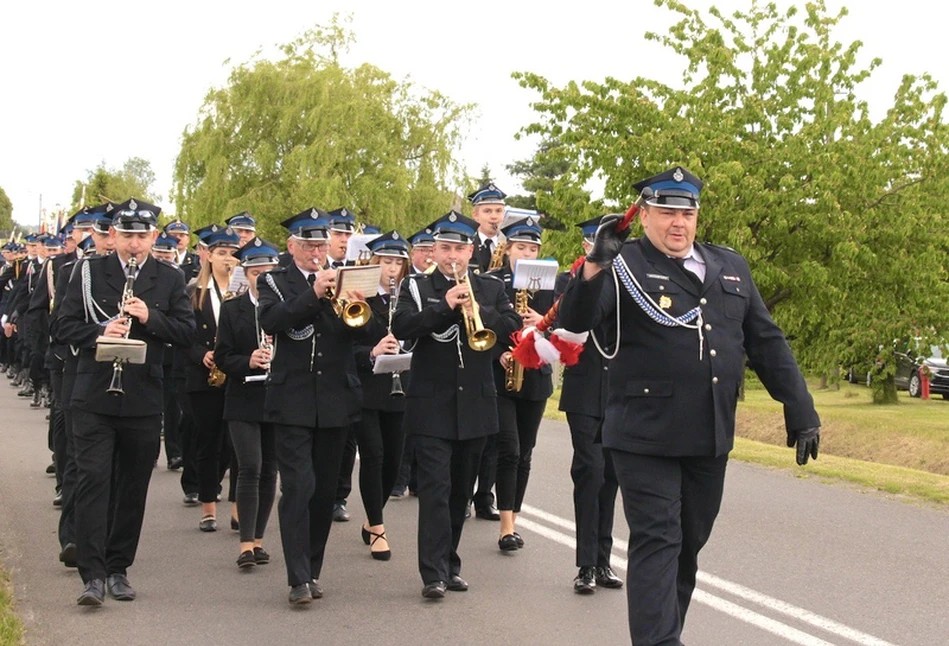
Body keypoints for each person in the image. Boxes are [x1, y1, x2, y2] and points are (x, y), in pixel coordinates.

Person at [557, 167, 821, 646]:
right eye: (667, 213)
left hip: (709, 434)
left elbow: (766, 341)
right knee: (658, 539)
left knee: (687, 545)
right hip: (644, 434)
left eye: (687, 213)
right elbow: (574, 327)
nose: (678, 223)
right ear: (645, 216)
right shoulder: (623, 263)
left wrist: (799, 406)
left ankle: (664, 633)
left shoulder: (731, 266)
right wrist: (594, 266)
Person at [55, 197, 195, 606]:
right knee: (93, 482)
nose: (134, 244)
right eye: (127, 235)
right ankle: (92, 576)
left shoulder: (168, 278)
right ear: (113, 235)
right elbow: (63, 325)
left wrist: (151, 317)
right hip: (93, 393)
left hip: (143, 397)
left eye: (142, 236)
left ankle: (118, 568)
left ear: (154, 237)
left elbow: (186, 333)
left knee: (132, 487)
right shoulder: (87, 272)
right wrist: (100, 332)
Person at [391, 211, 521, 599]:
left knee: (460, 491)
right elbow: (402, 327)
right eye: (445, 249)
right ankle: (432, 573)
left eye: (459, 249)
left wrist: (480, 309)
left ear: (469, 251)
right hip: (431, 405)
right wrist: (445, 305)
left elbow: (511, 324)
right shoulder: (416, 285)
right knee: (435, 488)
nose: (453, 257)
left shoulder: (490, 287)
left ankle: (450, 562)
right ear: (434, 251)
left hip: (477, 405)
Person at [257, 207, 377, 605]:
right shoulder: (274, 281)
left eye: (321, 245)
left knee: (324, 491)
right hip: (291, 399)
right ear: (292, 246)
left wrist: (361, 302)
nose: (317, 252)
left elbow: (366, 333)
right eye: (309, 245)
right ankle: (297, 578)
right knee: (298, 486)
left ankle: (313, 569)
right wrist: (314, 293)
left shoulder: (345, 280)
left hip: (336, 400)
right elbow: (275, 320)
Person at [555, 216, 622, 594]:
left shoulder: (628, 285)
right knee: (590, 472)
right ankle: (585, 565)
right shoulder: (573, 282)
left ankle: (603, 559)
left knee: (611, 477)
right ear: (586, 247)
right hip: (584, 392)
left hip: (618, 394)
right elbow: (572, 322)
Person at [486, 217, 555, 551]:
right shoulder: (493, 283)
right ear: (508, 249)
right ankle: (505, 526)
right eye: (521, 247)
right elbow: (482, 329)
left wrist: (543, 323)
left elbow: (564, 332)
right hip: (501, 377)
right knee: (509, 449)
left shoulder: (551, 287)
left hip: (536, 375)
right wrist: (499, 352)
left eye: (533, 248)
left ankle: (514, 516)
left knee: (525, 452)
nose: (527, 253)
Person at [214, 237, 280, 569]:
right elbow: (223, 357)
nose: (263, 279)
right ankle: (244, 545)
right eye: (257, 273)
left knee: (270, 470)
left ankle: (258, 540)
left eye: (269, 273)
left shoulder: (285, 308)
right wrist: (248, 361)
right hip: (242, 397)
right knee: (250, 466)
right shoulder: (232, 308)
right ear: (247, 275)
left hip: (276, 397)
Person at [352, 230, 411, 560]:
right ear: (374, 263)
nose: (392, 268)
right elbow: (346, 346)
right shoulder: (358, 298)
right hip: (366, 387)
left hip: (400, 386)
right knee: (373, 454)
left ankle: (373, 515)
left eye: (397, 263)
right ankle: (377, 525)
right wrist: (372, 351)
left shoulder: (408, 298)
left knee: (393, 459)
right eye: (386, 261)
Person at [184, 225, 242, 533]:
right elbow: (182, 335)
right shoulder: (193, 292)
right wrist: (200, 355)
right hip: (204, 376)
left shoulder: (244, 292)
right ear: (209, 256)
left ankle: (237, 508)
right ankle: (208, 506)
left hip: (236, 374)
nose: (228, 259)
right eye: (221, 253)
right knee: (208, 442)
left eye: (233, 254)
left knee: (236, 446)